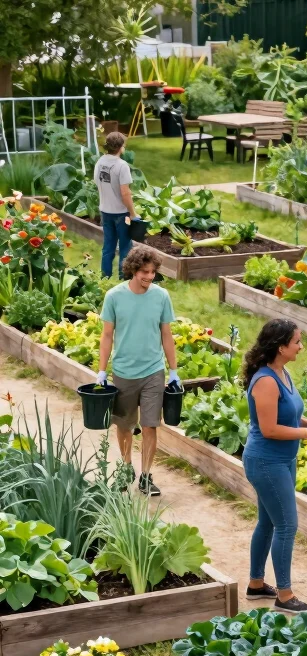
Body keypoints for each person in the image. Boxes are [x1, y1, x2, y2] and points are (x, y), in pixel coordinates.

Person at [242, 319, 307, 614]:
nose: (301, 346)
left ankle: (256, 585)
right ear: (281, 347)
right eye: (297, 342)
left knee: (268, 522)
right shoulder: (266, 380)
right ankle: (284, 594)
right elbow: (269, 429)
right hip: (267, 460)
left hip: (283, 460)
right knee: (287, 525)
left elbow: (288, 413)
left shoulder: (282, 372)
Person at [97, 246, 179, 496]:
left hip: (154, 371)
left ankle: (145, 476)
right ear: (133, 270)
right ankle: (126, 469)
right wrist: (101, 371)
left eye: (153, 272)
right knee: (124, 425)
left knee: (150, 425)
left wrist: (173, 370)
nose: (149, 277)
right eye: (145, 272)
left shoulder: (161, 296)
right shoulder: (114, 296)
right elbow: (107, 335)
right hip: (123, 372)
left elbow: (166, 334)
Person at [94, 131, 137, 279]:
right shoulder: (121, 165)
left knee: (108, 247)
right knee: (125, 246)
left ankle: (104, 277)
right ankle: (124, 277)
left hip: (105, 211)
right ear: (121, 147)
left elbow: (97, 182)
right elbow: (125, 193)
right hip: (121, 213)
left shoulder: (100, 162)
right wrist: (132, 213)